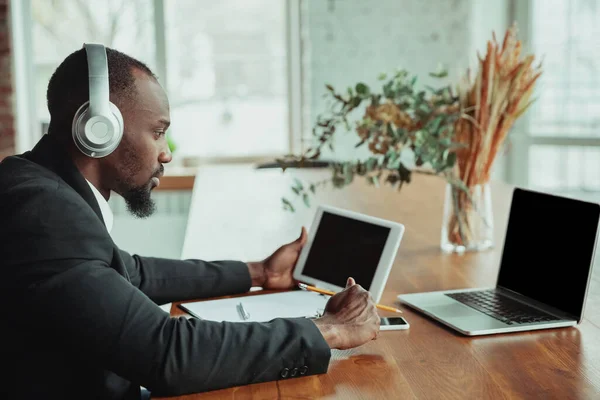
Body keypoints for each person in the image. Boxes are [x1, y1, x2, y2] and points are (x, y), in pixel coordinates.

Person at [0, 45, 380, 400]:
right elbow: (166, 353)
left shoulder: (38, 185)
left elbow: (131, 272)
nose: (166, 153)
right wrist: (330, 329)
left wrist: (259, 272)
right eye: (159, 131)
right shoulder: (41, 211)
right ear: (99, 129)